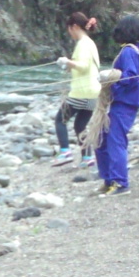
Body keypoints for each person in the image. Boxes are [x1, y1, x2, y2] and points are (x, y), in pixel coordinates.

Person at [95, 15, 139, 193]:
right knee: (101, 139)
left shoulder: (129, 52)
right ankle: (109, 179)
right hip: (120, 102)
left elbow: (131, 77)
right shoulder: (131, 50)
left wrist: (112, 80)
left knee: (115, 141)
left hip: (125, 104)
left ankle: (120, 183)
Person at [51, 12, 100, 167]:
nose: (69, 32)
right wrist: (68, 66)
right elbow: (84, 65)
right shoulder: (90, 43)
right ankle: (87, 158)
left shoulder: (83, 44)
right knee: (80, 125)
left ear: (75, 27)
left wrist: (67, 61)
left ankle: (65, 152)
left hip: (81, 92)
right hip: (94, 93)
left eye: (69, 29)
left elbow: (83, 66)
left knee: (60, 119)